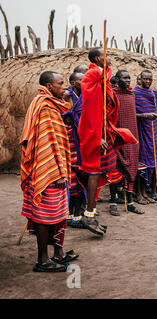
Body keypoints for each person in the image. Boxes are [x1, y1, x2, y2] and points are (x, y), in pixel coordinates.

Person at [20, 71, 79, 272]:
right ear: (49, 85)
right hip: (47, 172)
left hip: (53, 169)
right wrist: (56, 174)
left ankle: (58, 253)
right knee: (45, 215)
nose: (64, 87)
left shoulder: (50, 104)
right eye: (60, 84)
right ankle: (42, 260)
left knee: (58, 213)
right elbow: (48, 143)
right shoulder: (45, 107)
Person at [77, 47, 137, 235]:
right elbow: (92, 111)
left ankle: (90, 214)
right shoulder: (92, 74)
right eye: (106, 56)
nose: (109, 59)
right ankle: (88, 215)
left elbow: (104, 109)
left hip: (102, 132)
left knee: (99, 172)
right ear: (97, 58)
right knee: (93, 173)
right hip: (93, 134)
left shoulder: (102, 80)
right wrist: (98, 136)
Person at [112, 70, 144, 215]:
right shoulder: (112, 95)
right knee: (115, 169)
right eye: (125, 78)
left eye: (129, 78)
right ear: (118, 79)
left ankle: (130, 201)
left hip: (132, 137)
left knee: (132, 167)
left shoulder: (131, 95)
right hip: (117, 137)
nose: (128, 80)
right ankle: (113, 201)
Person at [132, 70, 157, 205]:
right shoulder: (135, 93)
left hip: (151, 131)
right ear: (140, 79)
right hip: (140, 132)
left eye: (150, 79)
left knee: (149, 163)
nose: (148, 82)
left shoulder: (151, 94)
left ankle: (145, 193)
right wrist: (145, 116)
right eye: (145, 79)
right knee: (140, 163)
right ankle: (138, 194)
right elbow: (131, 113)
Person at [63, 72, 86, 228]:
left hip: (84, 143)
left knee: (81, 181)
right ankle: (68, 214)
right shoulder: (65, 96)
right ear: (72, 83)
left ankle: (78, 215)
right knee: (70, 181)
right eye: (80, 80)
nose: (84, 82)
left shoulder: (87, 96)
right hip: (69, 144)